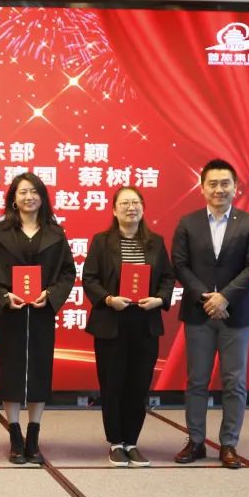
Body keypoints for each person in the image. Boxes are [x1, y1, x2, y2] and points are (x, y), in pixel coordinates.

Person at [171, 159, 249, 469]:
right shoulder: (188, 223)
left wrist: (224, 297)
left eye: (225, 183)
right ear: (202, 188)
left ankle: (229, 444)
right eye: (212, 183)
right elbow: (180, 264)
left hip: (235, 315)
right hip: (198, 314)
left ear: (235, 187)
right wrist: (206, 298)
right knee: (196, 380)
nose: (219, 189)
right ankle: (196, 441)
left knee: (234, 382)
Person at [0, 172, 75, 465]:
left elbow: (68, 273)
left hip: (42, 313)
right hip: (12, 313)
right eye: (22, 192)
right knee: (10, 371)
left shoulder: (56, 233)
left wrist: (51, 294)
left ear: (42, 197)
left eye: (34, 191)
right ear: (14, 198)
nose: (28, 197)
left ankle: (34, 435)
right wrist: (4, 296)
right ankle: (15, 435)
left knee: (39, 371)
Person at [81, 187, 175, 467]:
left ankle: (132, 442)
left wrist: (159, 299)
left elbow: (168, 278)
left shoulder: (155, 242)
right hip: (112, 322)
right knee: (112, 384)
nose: (130, 207)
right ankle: (116, 443)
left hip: (144, 323)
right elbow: (90, 278)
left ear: (143, 208)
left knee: (138, 385)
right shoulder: (102, 242)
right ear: (114, 210)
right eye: (124, 203)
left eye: (135, 202)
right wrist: (109, 299)